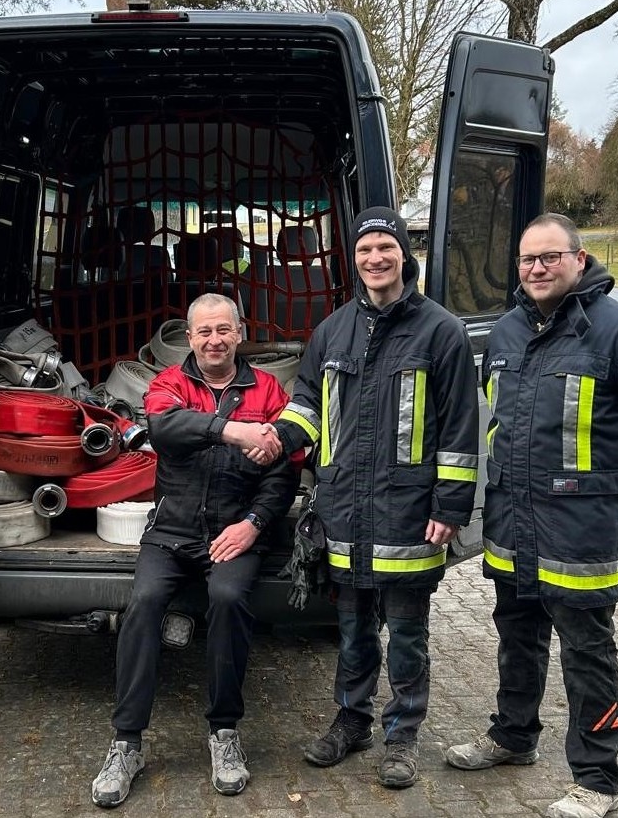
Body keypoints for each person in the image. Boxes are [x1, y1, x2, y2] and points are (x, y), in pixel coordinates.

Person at [445, 213, 618, 818]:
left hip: (580, 529)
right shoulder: (505, 332)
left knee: (587, 651)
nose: (538, 268)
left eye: (550, 257)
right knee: (516, 635)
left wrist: (612, 490)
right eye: (528, 259)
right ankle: (513, 736)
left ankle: (598, 778)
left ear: (579, 260)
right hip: (511, 522)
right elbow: (498, 421)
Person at [268, 206, 479, 789]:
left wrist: (450, 507)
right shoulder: (332, 330)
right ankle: (352, 720)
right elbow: (307, 403)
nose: (375, 258)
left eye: (386, 247)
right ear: (353, 259)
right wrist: (279, 436)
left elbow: (460, 427)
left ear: (404, 255)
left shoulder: (441, 331)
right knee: (353, 628)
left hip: (408, 511)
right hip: (344, 508)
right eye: (365, 250)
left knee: (408, 633)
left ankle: (403, 735)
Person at [90, 293, 299, 808]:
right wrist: (233, 430)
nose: (214, 340)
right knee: (142, 605)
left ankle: (224, 732)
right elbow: (165, 429)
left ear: (239, 333)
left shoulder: (268, 389)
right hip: (172, 531)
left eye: (223, 330)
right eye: (204, 331)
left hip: (234, 530)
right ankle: (126, 743)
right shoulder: (169, 383)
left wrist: (254, 524)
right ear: (189, 337)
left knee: (228, 599)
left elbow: (283, 473)